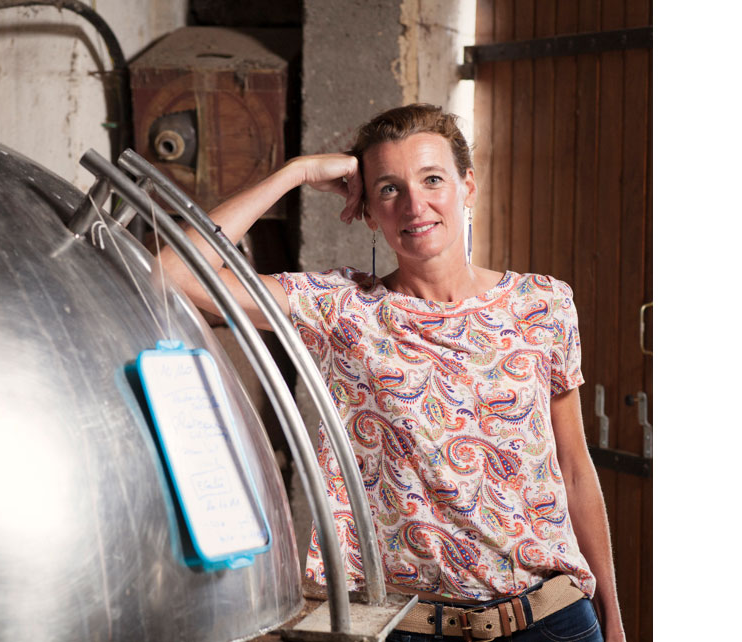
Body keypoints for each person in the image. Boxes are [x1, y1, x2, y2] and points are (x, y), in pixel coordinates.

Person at [159, 104, 624, 641]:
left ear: (466, 186)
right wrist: (296, 172)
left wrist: (611, 616)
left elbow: (574, 468)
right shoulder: (342, 308)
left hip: (553, 620)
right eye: (388, 189)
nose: (414, 205)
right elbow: (175, 272)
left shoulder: (542, 303)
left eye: (432, 180)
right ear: (366, 210)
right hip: (412, 627)